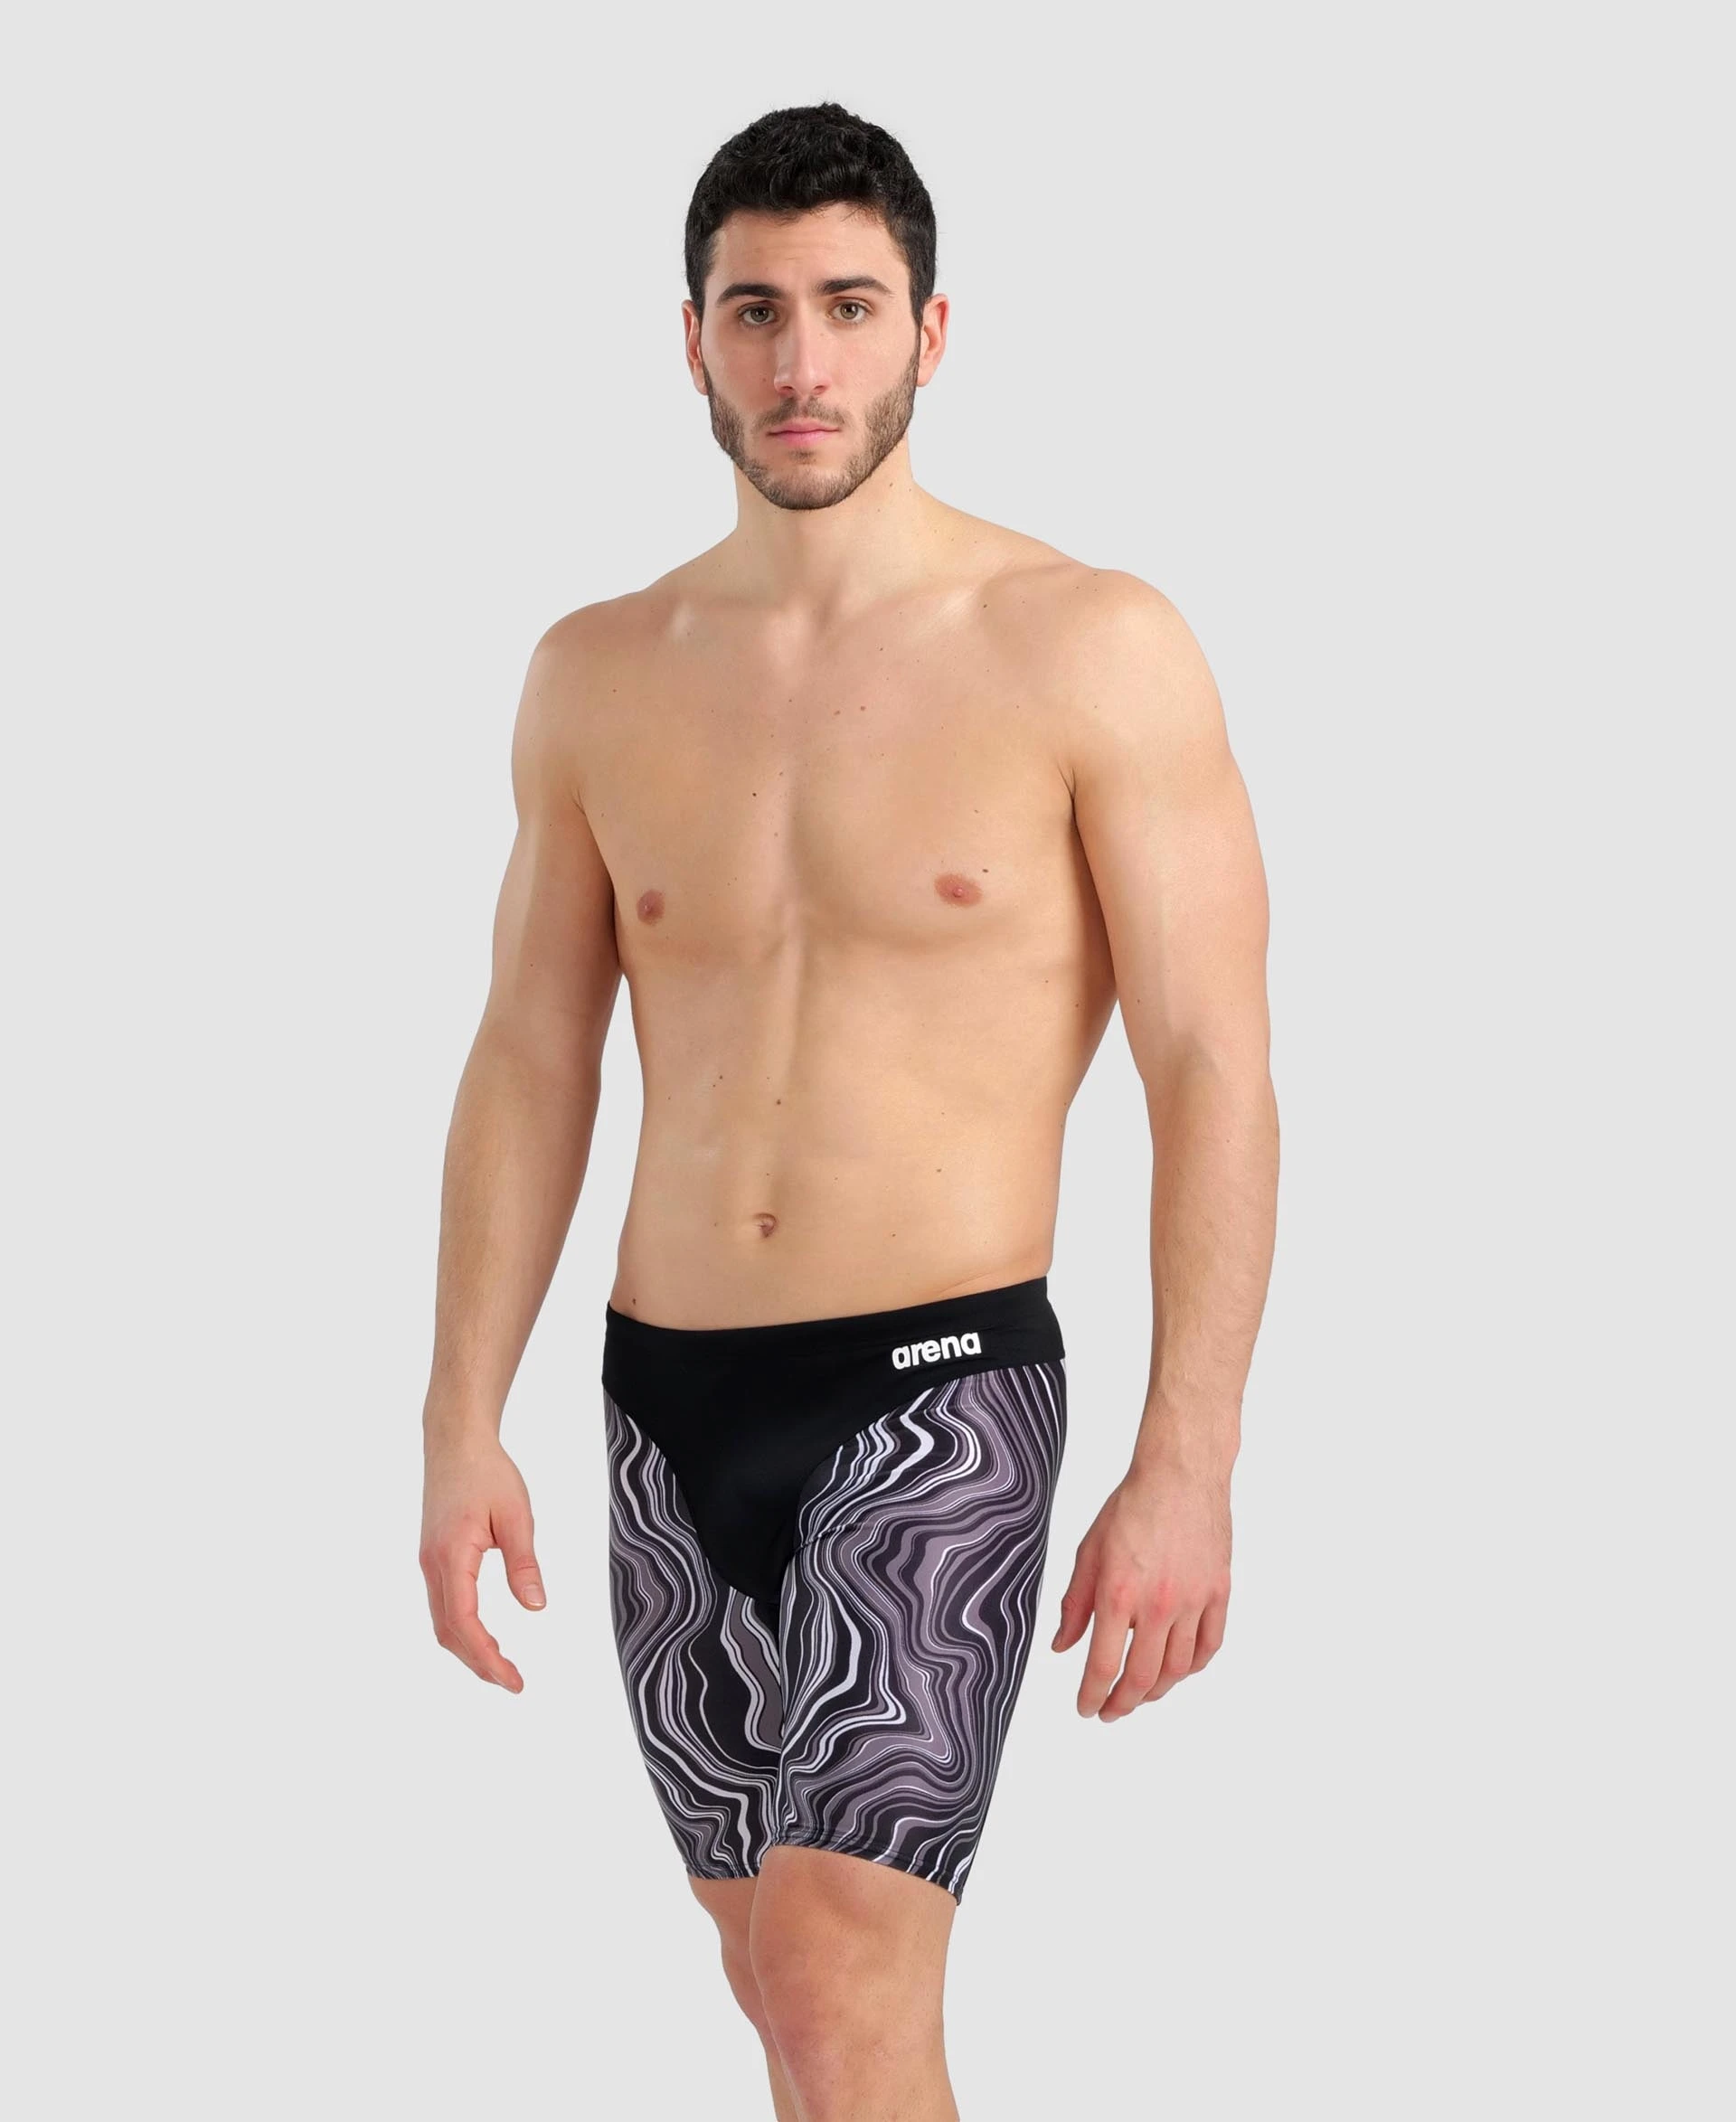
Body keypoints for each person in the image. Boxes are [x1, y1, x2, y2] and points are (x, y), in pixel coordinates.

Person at [419, 99, 1278, 2122]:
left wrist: (1191, 1453)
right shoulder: (597, 672)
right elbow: (529, 1055)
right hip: (663, 1409)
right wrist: (460, 1415)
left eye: (849, 306)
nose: (802, 361)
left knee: (829, 1966)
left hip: (934, 1394)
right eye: (757, 311)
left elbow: (1212, 1065)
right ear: (692, 340)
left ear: (932, 331)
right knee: (786, 1993)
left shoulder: (1086, 644)